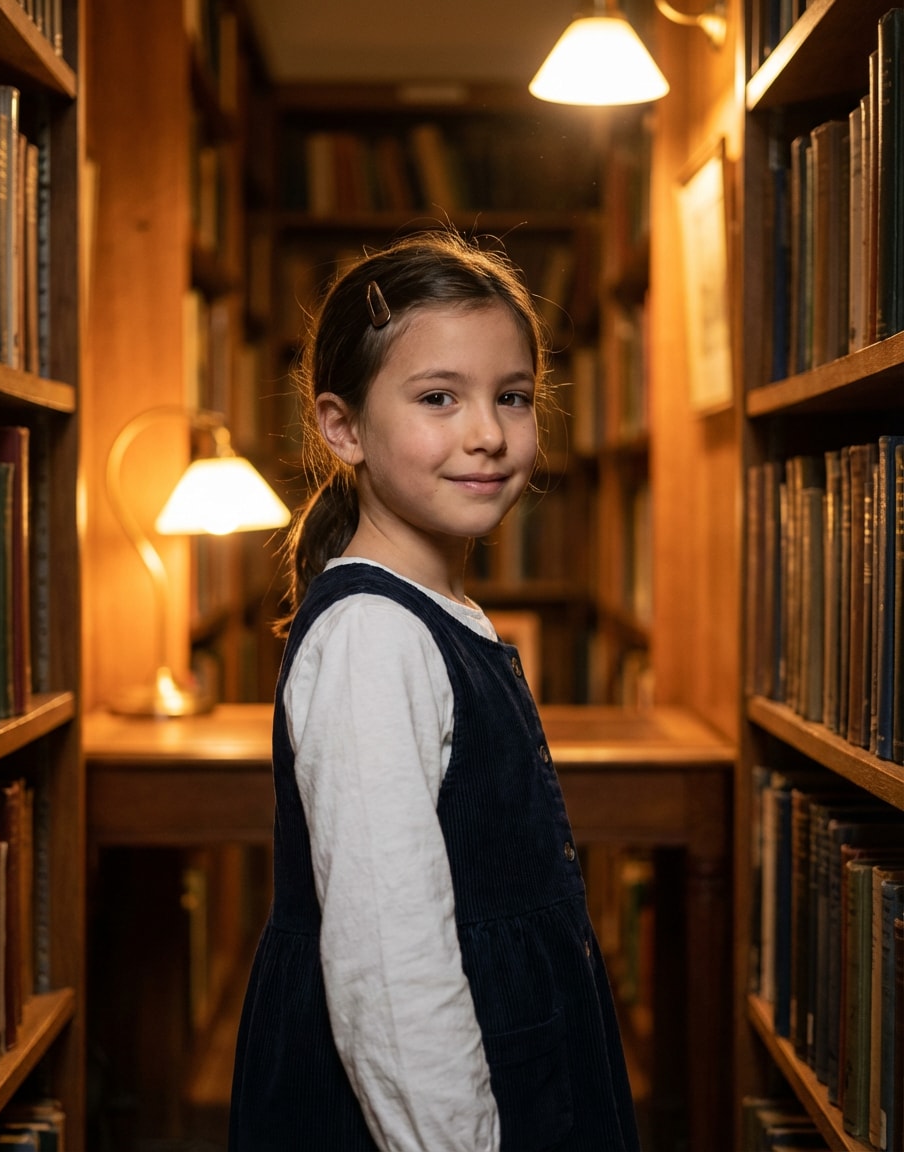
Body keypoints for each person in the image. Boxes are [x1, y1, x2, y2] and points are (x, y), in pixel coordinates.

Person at [229, 228, 641, 1151]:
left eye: (512, 397)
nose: (487, 434)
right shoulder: (373, 639)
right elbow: (390, 966)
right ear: (343, 428)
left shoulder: (432, 611)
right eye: (438, 398)